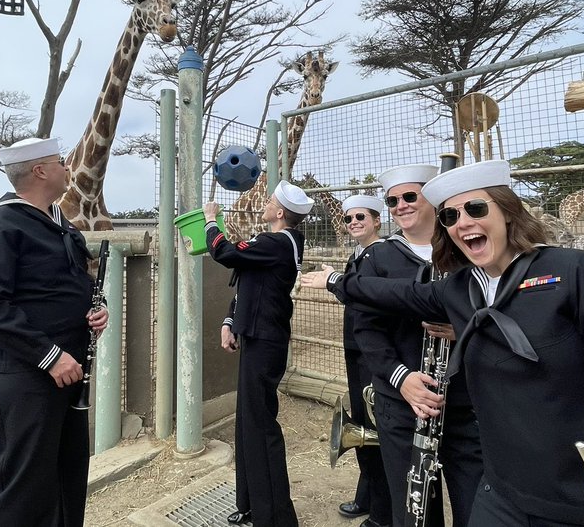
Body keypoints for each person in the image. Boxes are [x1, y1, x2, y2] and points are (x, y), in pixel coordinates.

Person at [318, 159, 584, 527]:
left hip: (583, 493)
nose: (463, 221)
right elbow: (393, 294)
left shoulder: (574, 272)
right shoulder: (461, 290)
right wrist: (336, 280)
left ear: (507, 212)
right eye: (450, 216)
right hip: (502, 492)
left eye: (476, 208)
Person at [307, 163, 483, 527]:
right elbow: (367, 330)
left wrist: (465, 327)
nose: (400, 205)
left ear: (432, 199)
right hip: (403, 400)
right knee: (413, 510)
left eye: (409, 196)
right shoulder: (378, 256)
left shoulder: (467, 249)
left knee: (477, 502)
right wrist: (403, 379)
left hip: (466, 401)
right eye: (392, 200)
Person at [0, 137, 110, 527]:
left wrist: (96, 310)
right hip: (28, 375)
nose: (67, 167)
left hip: (69, 373)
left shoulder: (62, 226)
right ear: (40, 171)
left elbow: (75, 282)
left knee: (66, 477)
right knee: (20, 484)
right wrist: (50, 355)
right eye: (60, 162)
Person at [204, 181, 313, 527]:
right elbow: (247, 281)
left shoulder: (276, 242)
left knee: (260, 425)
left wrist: (211, 221)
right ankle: (251, 504)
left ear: (280, 213)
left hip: (264, 342)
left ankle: (277, 517)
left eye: (269, 202)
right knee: (248, 422)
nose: (264, 204)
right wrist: (229, 321)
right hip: (256, 336)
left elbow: (225, 253)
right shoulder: (276, 245)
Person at [325, 194, 393, 526]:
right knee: (364, 426)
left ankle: (382, 511)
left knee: (373, 428)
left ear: (377, 221)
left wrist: (336, 282)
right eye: (349, 219)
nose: (354, 223)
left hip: (370, 352)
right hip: (355, 348)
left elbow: (367, 294)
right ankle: (367, 494)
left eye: (360, 218)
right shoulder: (358, 255)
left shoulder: (381, 254)